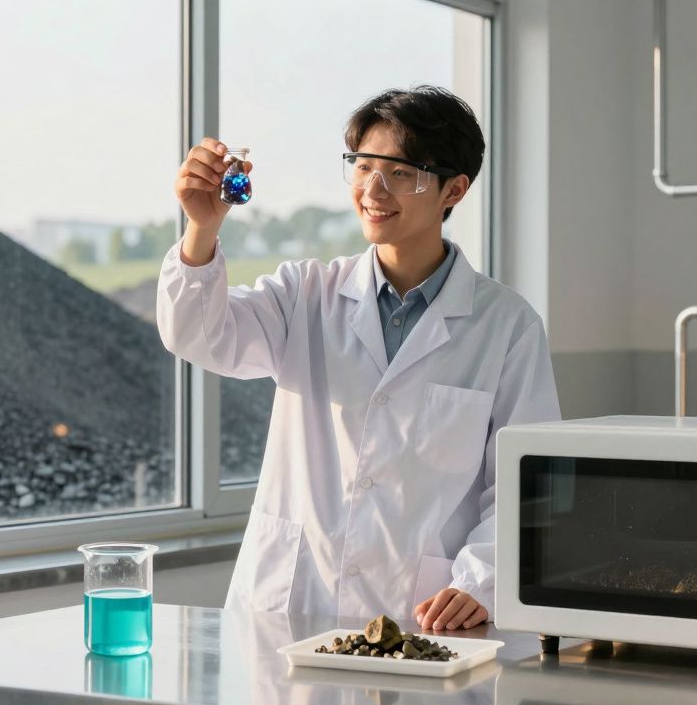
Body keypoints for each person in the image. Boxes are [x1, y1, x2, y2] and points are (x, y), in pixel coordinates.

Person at [157, 86, 560, 631]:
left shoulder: (507, 326)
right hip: (294, 602)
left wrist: (479, 581)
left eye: (399, 172)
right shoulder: (306, 294)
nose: (373, 189)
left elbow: (526, 481)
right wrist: (202, 229)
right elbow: (198, 335)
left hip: (422, 614)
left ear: (454, 190)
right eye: (363, 166)